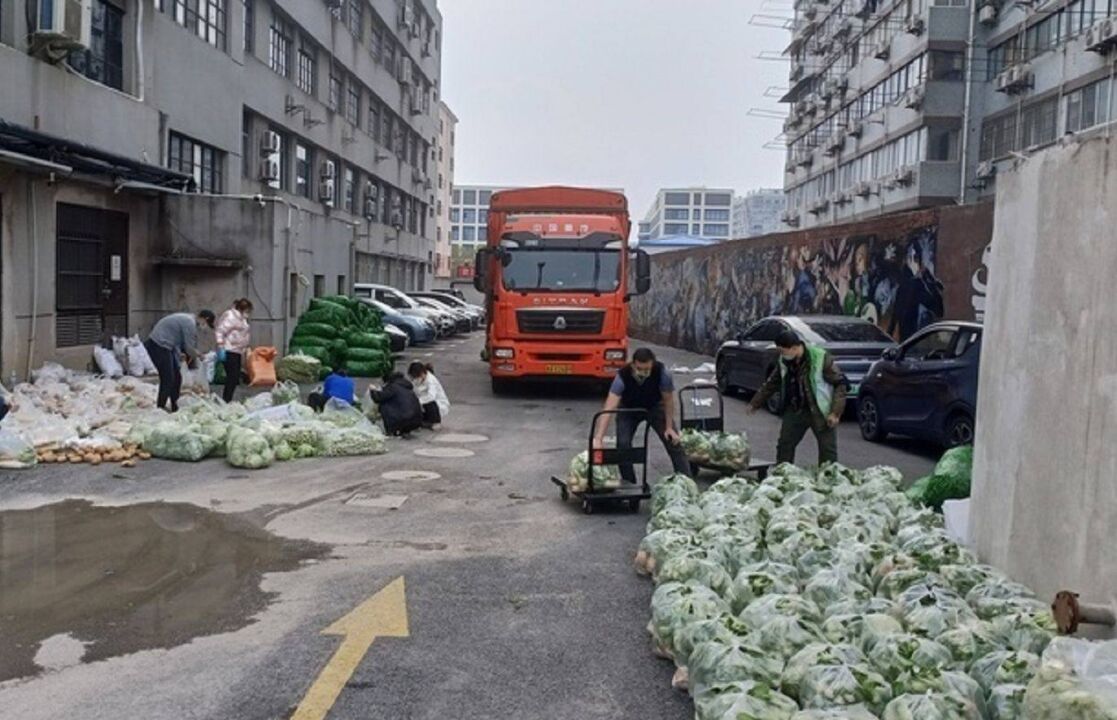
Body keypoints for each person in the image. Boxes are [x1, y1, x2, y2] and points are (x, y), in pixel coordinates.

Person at [748, 330, 848, 465]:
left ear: (794, 348)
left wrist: (835, 413)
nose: (782, 354)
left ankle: (828, 479)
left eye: (783, 351)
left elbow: (840, 385)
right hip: (796, 408)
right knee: (785, 444)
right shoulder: (784, 361)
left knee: (828, 450)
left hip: (820, 410)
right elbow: (772, 383)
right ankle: (783, 475)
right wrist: (755, 403)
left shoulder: (820, 358)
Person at [592, 348, 690, 483]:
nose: (643, 373)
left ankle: (687, 482)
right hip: (629, 408)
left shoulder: (663, 374)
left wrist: (669, 427)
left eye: (647, 369)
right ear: (633, 364)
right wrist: (599, 438)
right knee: (623, 445)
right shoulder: (623, 376)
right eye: (640, 369)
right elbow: (609, 406)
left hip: (654, 406)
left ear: (652, 364)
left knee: (674, 442)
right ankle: (629, 484)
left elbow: (668, 401)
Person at [144, 310, 215, 412]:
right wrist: (200, 355)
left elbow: (177, 340)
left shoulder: (189, 320)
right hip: (158, 345)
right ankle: (160, 408)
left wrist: (178, 356)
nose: (203, 327)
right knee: (168, 378)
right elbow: (189, 348)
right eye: (206, 324)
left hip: (167, 346)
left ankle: (175, 407)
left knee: (177, 378)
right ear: (204, 319)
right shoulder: (189, 323)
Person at [215, 298, 253, 403]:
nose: (248, 313)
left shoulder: (242, 319)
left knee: (234, 377)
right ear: (242, 309)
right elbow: (220, 330)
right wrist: (220, 345)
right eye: (247, 311)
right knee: (232, 376)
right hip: (229, 349)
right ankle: (226, 400)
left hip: (237, 350)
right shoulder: (231, 317)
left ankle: (227, 399)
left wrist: (245, 347)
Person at [369, 372, 423, 437]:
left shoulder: (393, 387)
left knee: (384, 404)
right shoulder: (405, 385)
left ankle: (392, 429)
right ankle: (404, 430)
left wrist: (373, 390)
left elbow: (378, 398)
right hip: (416, 419)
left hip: (404, 419)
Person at [407, 362, 449, 430]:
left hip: (438, 405)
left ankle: (436, 422)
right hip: (424, 405)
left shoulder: (431, 380)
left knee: (430, 401)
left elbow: (431, 396)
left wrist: (419, 401)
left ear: (421, 374)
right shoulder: (417, 380)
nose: (415, 379)